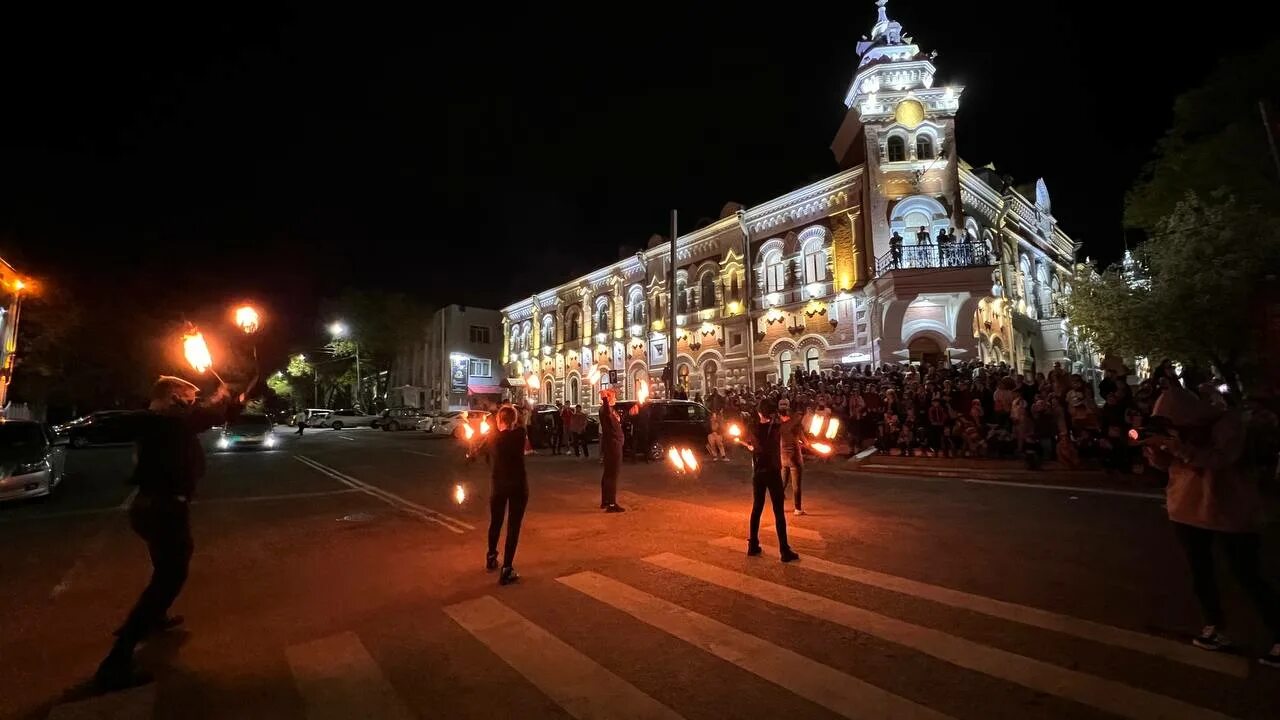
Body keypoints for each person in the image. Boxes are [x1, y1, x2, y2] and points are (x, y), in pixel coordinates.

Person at [95, 376, 238, 691]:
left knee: (165, 568)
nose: (192, 401)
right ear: (174, 398)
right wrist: (221, 397)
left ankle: (154, 618)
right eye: (188, 396)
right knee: (170, 578)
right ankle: (116, 661)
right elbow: (203, 415)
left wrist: (225, 398)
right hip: (162, 510)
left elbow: (206, 416)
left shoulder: (168, 424)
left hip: (156, 509)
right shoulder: (162, 422)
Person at [1145, 383, 1280, 665]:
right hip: (1186, 508)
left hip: (1230, 509)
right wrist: (1157, 453)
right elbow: (1171, 466)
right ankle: (1215, 627)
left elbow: (1220, 459)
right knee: (1200, 572)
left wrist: (1179, 447)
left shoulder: (1227, 424)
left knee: (1247, 574)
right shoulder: (1179, 430)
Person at [739, 399, 799, 562]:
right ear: (772, 412)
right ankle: (784, 550)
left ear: (759, 413)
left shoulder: (753, 428)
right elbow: (794, 420)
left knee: (756, 508)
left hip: (758, 473)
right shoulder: (777, 429)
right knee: (778, 511)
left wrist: (749, 446)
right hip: (773, 472)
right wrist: (782, 416)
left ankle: (752, 545)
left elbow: (749, 443)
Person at [485, 405, 529, 586]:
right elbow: (520, 424)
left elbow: (492, 429)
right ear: (514, 420)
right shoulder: (519, 436)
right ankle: (507, 568)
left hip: (498, 487)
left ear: (498, 421)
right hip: (518, 487)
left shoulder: (492, 438)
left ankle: (491, 556)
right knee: (513, 526)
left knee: (495, 522)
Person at [598, 389, 628, 512]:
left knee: (608, 474)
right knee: (612, 475)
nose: (615, 398)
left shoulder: (611, 410)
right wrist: (604, 398)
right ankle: (611, 504)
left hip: (613, 444)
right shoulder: (605, 410)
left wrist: (630, 411)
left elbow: (617, 420)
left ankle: (605, 501)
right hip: (612, 445)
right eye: (613, 396)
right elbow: (607, 413)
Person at [779, 401, 806, 515]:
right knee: (796, 485)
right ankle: (797, 509)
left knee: (782, 483)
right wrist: (805, 443)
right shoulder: (795, 424)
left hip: (783, 457)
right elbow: (804, 440)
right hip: (794, 457)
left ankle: (779, 506)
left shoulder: (779, 426)